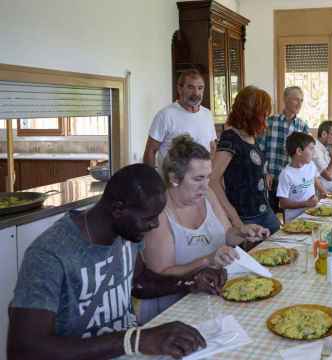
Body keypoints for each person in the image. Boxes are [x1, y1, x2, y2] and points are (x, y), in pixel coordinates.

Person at [7, 164, 227, 360]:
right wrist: (135, 340)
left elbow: (139, 281)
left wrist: (190, 281)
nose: (154, 226)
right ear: (118, 210)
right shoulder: (50, 254)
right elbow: (24, 349)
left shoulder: (128, 233)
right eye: (148, 218)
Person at [138, 135, 269, 324]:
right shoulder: (159, 214)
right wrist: (207, 260)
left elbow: (226, 235)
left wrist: (242, 231)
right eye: (198, 178)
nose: (205, 185)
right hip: (174, 310)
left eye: (208, 177)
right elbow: (159, 276)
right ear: (174, 178)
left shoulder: (207, 195)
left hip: (210, 294)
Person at [210, 86, 281, 236]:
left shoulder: (251, 136)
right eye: (264, 113)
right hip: (245, 217)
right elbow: (213, 180)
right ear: (251, 113)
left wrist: (264, 173)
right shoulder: (230, 138)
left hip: (264, 211)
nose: (267, 117)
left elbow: (249, 167)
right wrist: (235, 220)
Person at [143, 69, 217, 168]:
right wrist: (151, 181)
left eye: (200, 88)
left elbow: (212, 147)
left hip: (201, 180)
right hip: (172, 182)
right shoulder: (165, 115)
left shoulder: (207, 114)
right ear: (179, 88)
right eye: (190, 87)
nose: (196, 93)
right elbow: (150, 151)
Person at [257, 86, 310, 212]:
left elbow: (306, 156)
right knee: (270, 217)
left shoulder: (303, 127)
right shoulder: (269, 122)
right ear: (285, 99)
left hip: (292, 181)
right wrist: (265, 173)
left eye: (301, 100)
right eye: (296, 99)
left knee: (292, 220)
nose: (299, 103)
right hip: (271, 179)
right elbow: (259, 151)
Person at [277, 132, 326, 222]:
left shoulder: (311, 165)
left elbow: (314, 178)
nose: (314, 153)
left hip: (312, 214)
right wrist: (306, 204)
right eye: (311, 149)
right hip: (295, 221)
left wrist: (324, 193)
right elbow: (283, 203)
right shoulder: (286, 174)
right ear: (299, 151)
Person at [312, 120, 332, 194]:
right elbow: (329, 176)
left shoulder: (326, 147)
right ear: (324, 134)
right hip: (322, 195)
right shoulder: (314, 148)